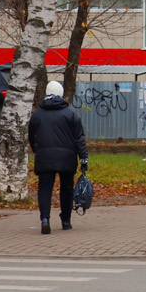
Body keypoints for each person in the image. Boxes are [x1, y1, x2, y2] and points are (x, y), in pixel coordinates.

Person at [27, 81, 88, 235]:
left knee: (45, 188)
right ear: (61, 94)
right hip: (67, 157)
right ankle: (66, 220)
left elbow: (32, 137)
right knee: (66, 188)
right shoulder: (70, 113)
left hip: (45, 156)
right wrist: (83, 158)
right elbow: (79, 138)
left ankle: (45, 219)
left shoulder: (37, 114)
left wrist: (38, 151)